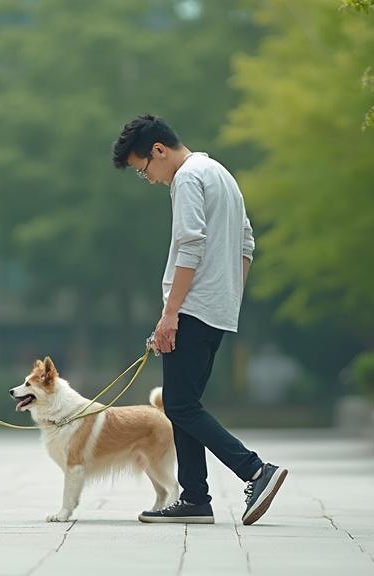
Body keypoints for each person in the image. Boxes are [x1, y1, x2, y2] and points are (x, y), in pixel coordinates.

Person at [112, 115, 288, 526]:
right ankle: (195, 499)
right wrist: (229, 297)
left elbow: (190, 246)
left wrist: (170, 314)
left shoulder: (188, 178)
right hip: (218, 310)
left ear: (159, 150)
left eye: (145, 170)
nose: (151, 179)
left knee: (181, 404)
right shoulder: (219, 172)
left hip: (192, 309)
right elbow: (246, 242)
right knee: (183, 404)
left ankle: (256, 471)